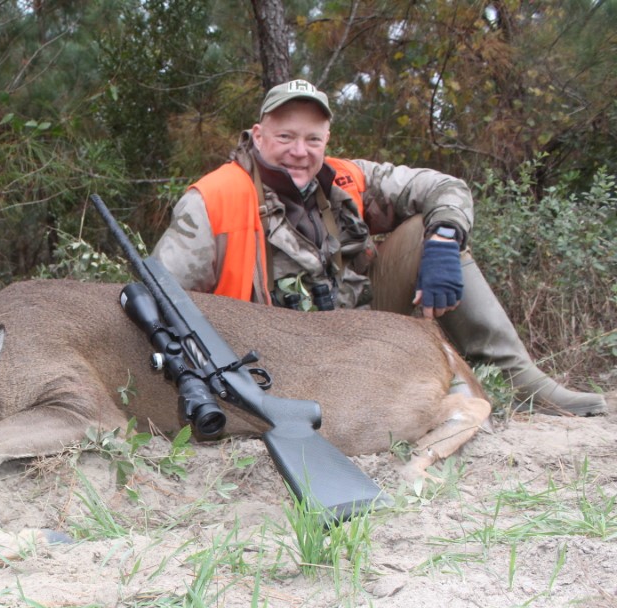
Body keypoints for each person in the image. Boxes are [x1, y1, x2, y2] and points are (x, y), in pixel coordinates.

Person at [152, 78, 607, 417]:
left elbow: (443, 186)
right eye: (286, 137)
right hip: (270, 357)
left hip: (361, 336)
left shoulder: (347, 179)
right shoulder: (212, 201)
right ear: (257, 135)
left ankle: (521, 381)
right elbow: (159, 296)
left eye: (313, 139)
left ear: (326, 140)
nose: (299, 151)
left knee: (423, 232)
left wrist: (446, 241)